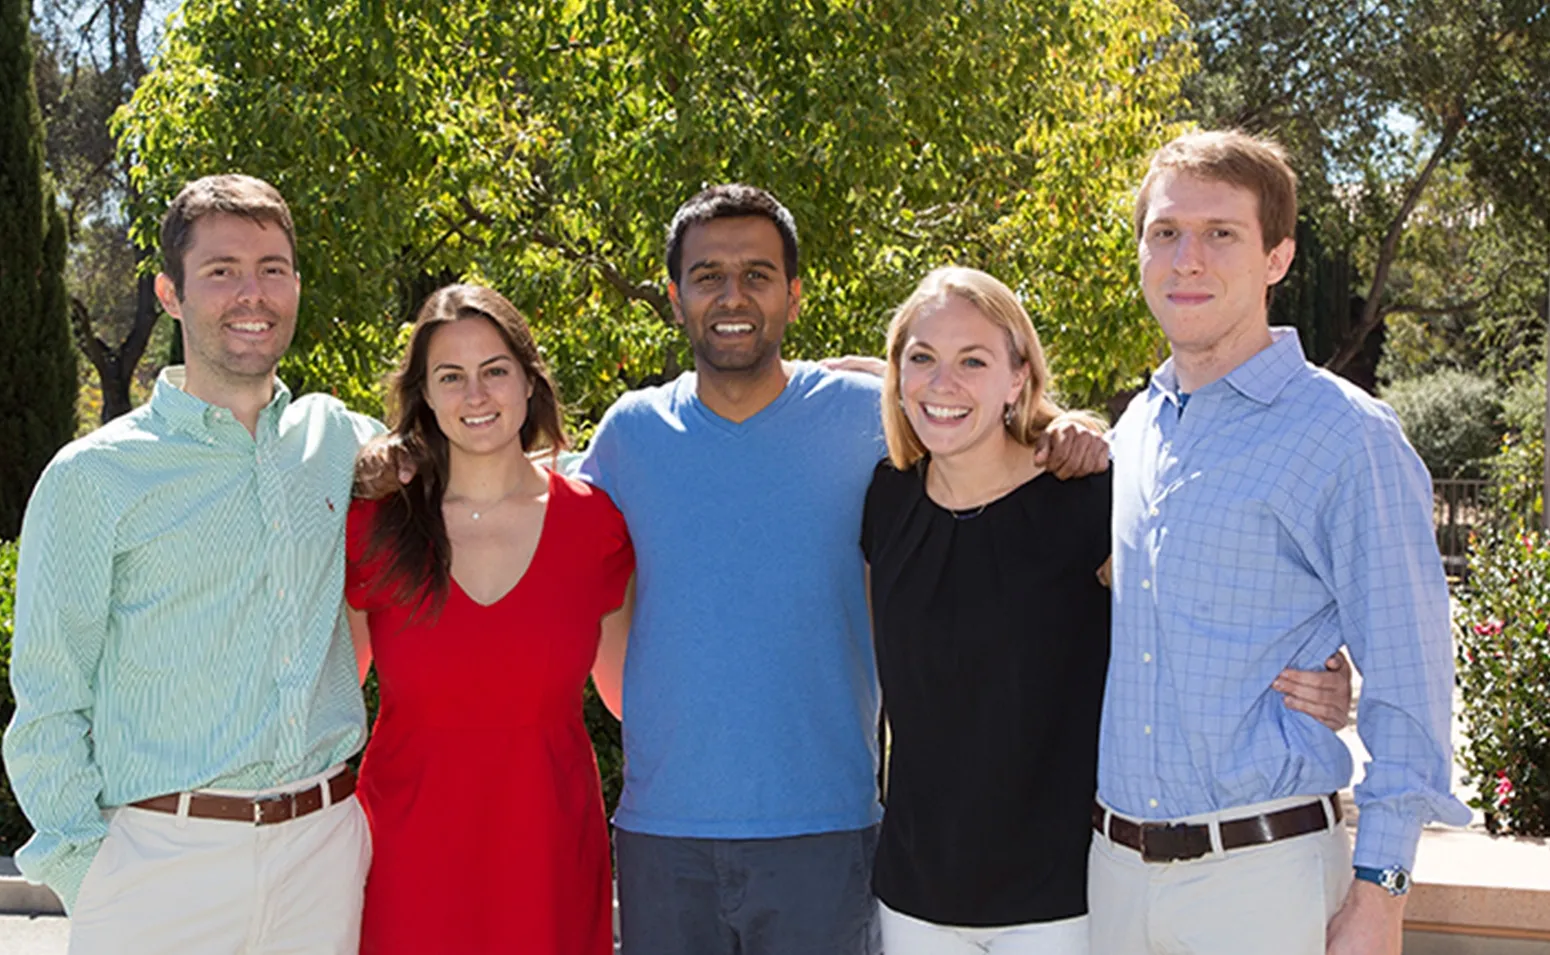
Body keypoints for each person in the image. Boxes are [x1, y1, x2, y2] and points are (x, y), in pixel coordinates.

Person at [570, 184, 1119, 955]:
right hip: (664, 835)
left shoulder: (867, 421)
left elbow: (956, 404)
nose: (734, 296)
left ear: (795, 295)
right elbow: (536, 518)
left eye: (758, 275)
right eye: (707, 276)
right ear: (674, 295)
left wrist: (1064, 427)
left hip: (828, 828)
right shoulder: (630, 433)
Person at [862, 266, 1352, 955]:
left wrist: (1310, 673)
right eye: (922, 358)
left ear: (1018, 376)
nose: (943, 383)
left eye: (973, 360)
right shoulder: (886, 500)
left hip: (1066, 895)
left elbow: (1202, 620)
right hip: (915, 890)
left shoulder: (1094, 500)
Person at [1090, 130, 1471, 955]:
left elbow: (1412, 680)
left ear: (1278, 257)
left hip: (1261, 881)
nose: (1187, 258)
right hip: (1113, 879)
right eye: (1165, 232)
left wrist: (1384, 898)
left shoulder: (1346, 434)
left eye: (1221, 233)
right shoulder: (1138, 428)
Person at [3, 174, 381, 954]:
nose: (253, 293)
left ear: (297, 285)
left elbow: (482, 469)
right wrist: (90, 871)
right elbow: (47, 695)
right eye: (222, 271)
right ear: (169, 293)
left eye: (273, 268)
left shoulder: (341, 440)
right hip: (158, 870)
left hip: (324, 854)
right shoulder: (92, 476)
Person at [345, 283, 634, 955]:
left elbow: (632, 700)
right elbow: (325, 703)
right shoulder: (377, 525)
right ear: (424, 393)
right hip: (403, 859)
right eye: (451, 376)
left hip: (548, 856)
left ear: (530, 381)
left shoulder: (595, 526)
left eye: (495, 370)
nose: (476, 395)